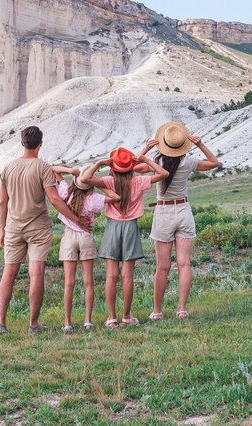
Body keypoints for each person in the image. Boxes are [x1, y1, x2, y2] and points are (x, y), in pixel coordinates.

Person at [0, 126, 91, 335]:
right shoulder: (43, 168)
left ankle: (1, 323)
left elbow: (3, 202)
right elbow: (55, 199)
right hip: (38, 228)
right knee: (36, 273)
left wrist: (2, 229)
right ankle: (33, 324)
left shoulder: (8, 167)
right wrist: (75, 218)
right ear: (40, 144)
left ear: (22, 143)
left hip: (13, 227)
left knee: (8, 273)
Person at [137, 122, 220, 320]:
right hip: (183, 209)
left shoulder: (157, 161)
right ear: (182, 144)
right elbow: (214, 163)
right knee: (184, 264)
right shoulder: (189, 162)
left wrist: (145, 149)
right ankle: (182, 309)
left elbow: (134, 168)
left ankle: (157, 311)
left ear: (164, 143)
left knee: (162, 266)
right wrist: (200, 144)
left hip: (164, 211)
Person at [81, 148, 168, 328]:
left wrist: (98, 163)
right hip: (130, 227)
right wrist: (147, 160)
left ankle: (112, 318)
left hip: (112, 226)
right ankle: (126, 317)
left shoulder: (108, 181)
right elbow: (164, 173)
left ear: (113, 166)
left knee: (111, 275)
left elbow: (84, 179)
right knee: (127, 275)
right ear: (130, 167)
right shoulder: (138, 181)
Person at [52, 165, 120, 332]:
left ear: (75, 181)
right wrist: (96, 182)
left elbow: (54, 170)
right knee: (88, 282)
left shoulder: (65, 191)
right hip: (85, 236)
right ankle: (87, 320)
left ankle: (67, 322)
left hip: (69, 237)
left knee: (69, 282)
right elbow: (115, 197)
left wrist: (72, 172)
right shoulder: (93, 198)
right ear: (89, 184)